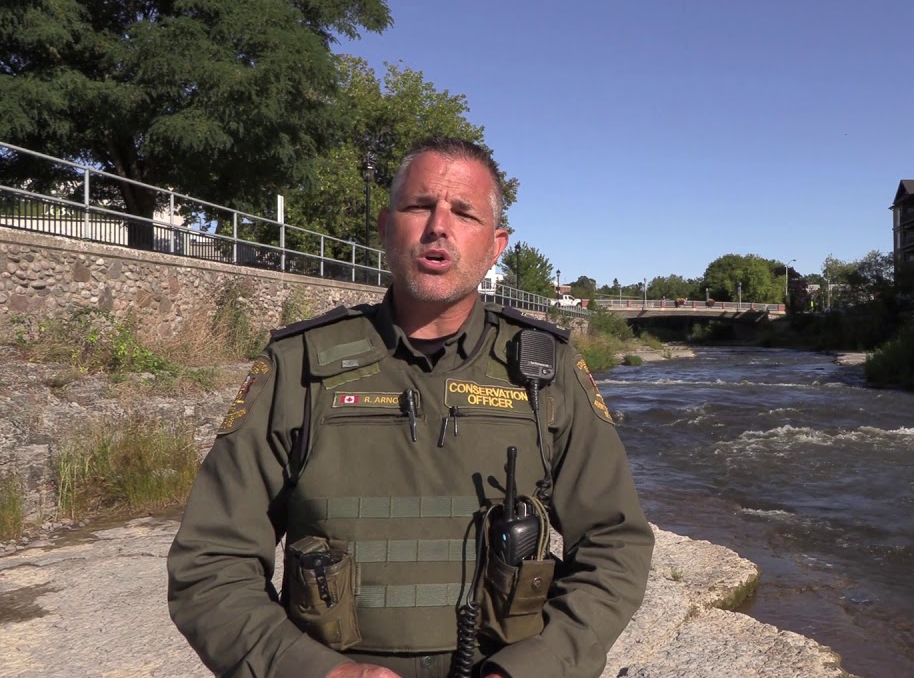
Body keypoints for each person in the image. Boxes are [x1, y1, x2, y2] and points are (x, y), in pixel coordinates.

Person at [168, 137, 654, 678]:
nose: (438, 227)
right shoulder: (300, 366)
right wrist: (311, 671)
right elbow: (210, 563)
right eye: (419, 206)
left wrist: (536, 666)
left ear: (496, 246)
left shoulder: (546, 371)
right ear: (384, 227)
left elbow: (615, 545)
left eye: (463, 213)